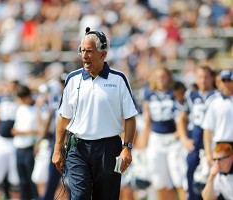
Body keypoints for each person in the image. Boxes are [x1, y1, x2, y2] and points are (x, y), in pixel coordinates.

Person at [52, 27, 138, 200]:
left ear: (103, 54)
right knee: (80, 196)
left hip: (109, 149)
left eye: (89, 51)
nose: (84, 56)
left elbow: (130, 117)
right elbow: (63, 118)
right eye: (82, 51)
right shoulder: (72, 79)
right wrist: (57, 149)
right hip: (77, 148)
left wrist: (127, 148)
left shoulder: (119, 79)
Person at [139, 67, 186, 200]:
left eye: (163, 76)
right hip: (156, 139)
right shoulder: (148, 93)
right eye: (158, 76)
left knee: (178, 178)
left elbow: (181, 116)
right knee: (159, 180)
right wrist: (142, 142)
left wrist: (181, 134)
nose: (161, 79)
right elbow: (147, 120)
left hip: (173, 139)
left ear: (169, 77)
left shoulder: (174, 93)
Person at [177, 66, 216, 200]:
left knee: (211, 183)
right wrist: (183, 138)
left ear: (212, 78)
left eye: (206, 77)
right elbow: (181, 118)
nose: (203, 80)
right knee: (191, 181)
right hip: (194, 143)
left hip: (212, 145)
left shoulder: (217, 96)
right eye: (200, 77)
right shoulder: (191, 95)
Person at [11, 84, 41, 200]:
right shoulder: (20, 109)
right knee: (22, 181)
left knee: (32, 180)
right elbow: (15, 128)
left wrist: (23, 132)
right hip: (19, 148)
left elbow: (39, 130)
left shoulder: (35, 109)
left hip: (30, 148)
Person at [202, 69, 233, 166]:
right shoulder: (215, 103)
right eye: (224, 81)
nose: (226, 84)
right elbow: (208, 130)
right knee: (219, 178)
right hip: (220, 145)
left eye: (229, 80)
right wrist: (208, 153)